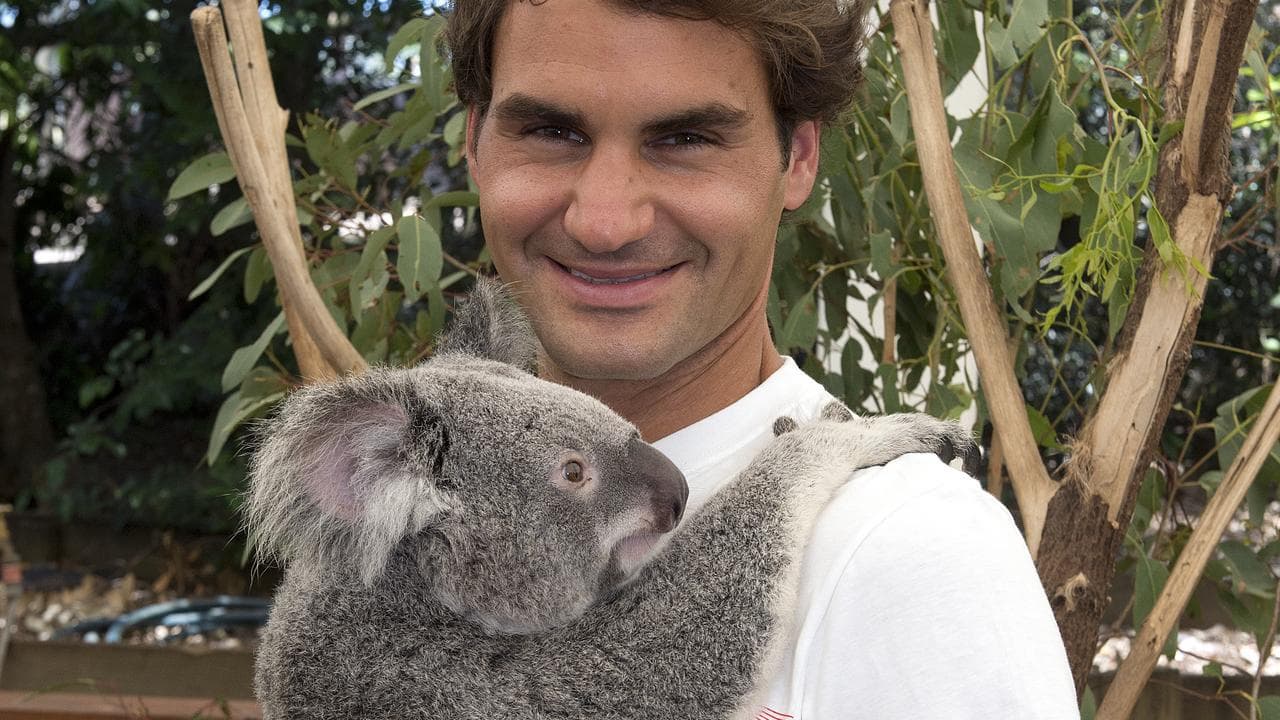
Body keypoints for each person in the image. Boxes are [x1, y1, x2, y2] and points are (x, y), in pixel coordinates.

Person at [444, 0, 1079, 716]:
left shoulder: (909, 548)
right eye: (551, 131)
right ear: (475, 143)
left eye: (685, 139)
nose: (605, 224)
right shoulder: (402, 514)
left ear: (798, 159)